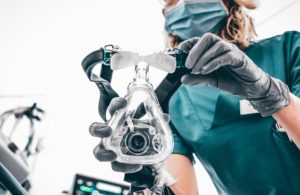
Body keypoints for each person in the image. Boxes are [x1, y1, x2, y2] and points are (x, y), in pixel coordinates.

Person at [86, 0, 300, 194]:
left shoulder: (290, 50)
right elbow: (183, 191)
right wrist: (148, 170)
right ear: (165, 14)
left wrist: (272, 95)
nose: (185, 3)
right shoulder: (171, 102)